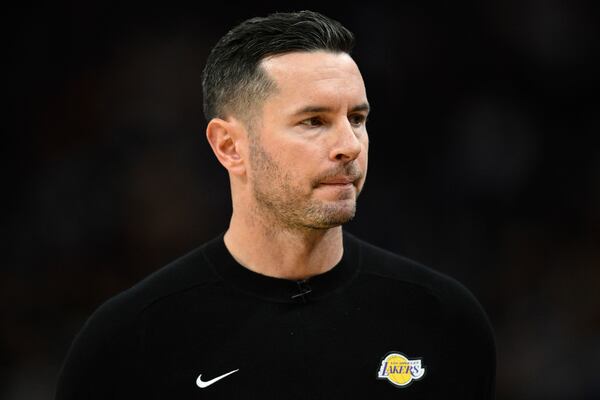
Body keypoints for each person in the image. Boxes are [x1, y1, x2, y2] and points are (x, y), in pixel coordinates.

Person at [55, 10, 495, 399]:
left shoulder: (443, 318)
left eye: (357, 119)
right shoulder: (129, 340)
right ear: (229, 146)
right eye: (313, 121)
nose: (349, 145)